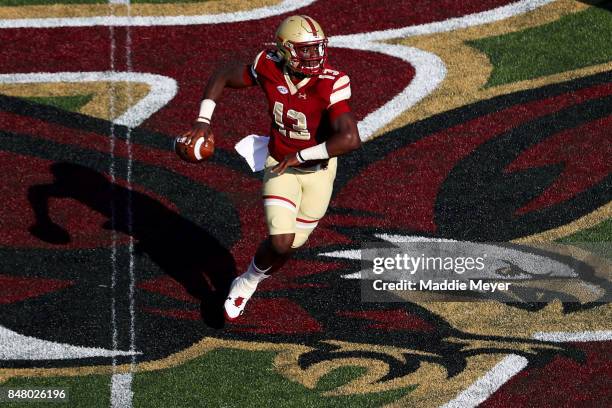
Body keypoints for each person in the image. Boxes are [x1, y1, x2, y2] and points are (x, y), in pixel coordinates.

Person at [182, 15, 361, 321]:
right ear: (286, 50)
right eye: (305, 50)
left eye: (317, 48)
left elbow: (350, 138)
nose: (314, 56)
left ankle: (251, 275)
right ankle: (246, 284)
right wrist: (203, 120)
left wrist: (303, 156)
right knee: (281, 239)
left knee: (288, 247)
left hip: (319, 172)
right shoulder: (268, 65)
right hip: (280, 165)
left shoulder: (330, 82)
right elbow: (224, 73)